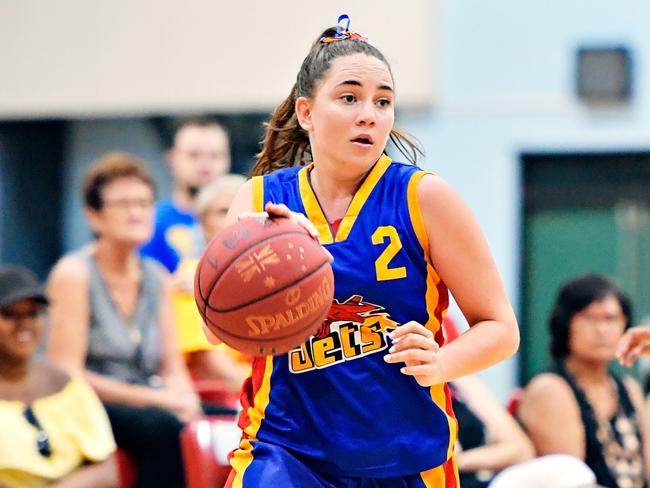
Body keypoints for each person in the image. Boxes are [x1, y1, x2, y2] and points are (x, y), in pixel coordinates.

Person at [218, 16, 519, 487]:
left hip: (403, 457)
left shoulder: (425, 198)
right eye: (349, 97)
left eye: (383, 101)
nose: (369, 114)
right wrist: (269, 257)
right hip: (285, 449)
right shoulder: (259, 202)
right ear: (306, 112)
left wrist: (442, 362)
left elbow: (501, 329)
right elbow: (218, 333)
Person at [46, 152, 202, 488]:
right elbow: (66, 373)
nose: (137, 213)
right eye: (124, 204)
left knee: (231, 421)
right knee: (159, 427)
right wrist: (162, 400)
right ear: (94, 215)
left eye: (144, 203)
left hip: (149, 399)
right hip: (88, 404)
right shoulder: (74, 274)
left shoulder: (156, 276)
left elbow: (172, 367)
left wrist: (186, 399)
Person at [518, 274, 650, 488]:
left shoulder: (629, 388)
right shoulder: (550, 389)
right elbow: (571, 481)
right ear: (566, 323)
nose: (602, 330)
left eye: (611, 318)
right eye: (590, 318)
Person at [0, 265, 116, 488]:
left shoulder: (69, 385)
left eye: (33, 313)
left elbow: (106, 470)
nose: (24, 323)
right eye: (9, 314)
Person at [174, 174, 251, 393]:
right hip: (218, 403)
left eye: (246, 208)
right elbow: (211, 364)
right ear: (203, 224)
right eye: (223, 211)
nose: (237, 218)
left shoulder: (271, 276)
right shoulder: (191, 276)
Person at [140, 117, 231, 281]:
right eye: (193, 155)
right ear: (172, 159)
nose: (205, 165)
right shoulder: (151, 222)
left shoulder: (243, 218)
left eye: (215, 155)